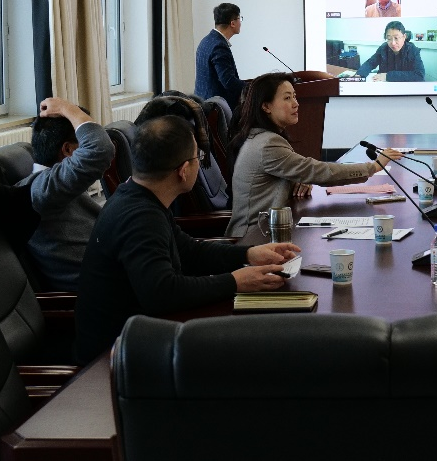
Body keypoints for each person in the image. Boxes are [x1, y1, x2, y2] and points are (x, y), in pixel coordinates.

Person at [73, 115, 300, 364]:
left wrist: (248, 254)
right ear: (183, 171)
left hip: (141, 337)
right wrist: (235, 281)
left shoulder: (139, 197)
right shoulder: (140, 217)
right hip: (116, 358)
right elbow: (162, 293)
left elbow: (189, 251)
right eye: (197, 158)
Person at [226, 73, 402, 237]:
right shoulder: (267, 144)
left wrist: (298, 179)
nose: (296, 103)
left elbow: (299, 171)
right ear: (266, 106)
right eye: (287, 98)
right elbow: (316, 171)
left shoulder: (261, 137)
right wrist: (374, 167)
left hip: (268, 229)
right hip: (253, 237)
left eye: (294, 96)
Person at [19, 98, 116, 291]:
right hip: (105, 294)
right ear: (68, 150)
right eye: (82, 142)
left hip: (118, 274)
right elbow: (99, 149)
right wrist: (66, 108)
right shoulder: (42, 190)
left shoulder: (59, 186)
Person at [194, 2, 245, 111]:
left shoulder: (207, 40)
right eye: (239, 19)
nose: (240, 22)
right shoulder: (219, 46)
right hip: (215, 109)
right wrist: (253, 88)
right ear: (233, 23)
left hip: (203, 103)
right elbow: (228, 82)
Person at [355, 20, 425, 82]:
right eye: (389, 39)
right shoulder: (383, 48)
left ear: (404, 37)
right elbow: (370, 63)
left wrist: (387, 76)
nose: (393, 43)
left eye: (396, 38)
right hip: (384, 86)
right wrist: (359, 75)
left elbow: (419, 75)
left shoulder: (412, 50)